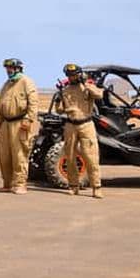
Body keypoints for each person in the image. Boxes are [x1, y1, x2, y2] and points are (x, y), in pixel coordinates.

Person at [56, 64, 105, 198]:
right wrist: (58, 100)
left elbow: (99, 95)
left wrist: (87, 85)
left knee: (91, 157)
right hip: (71, 125)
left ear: (79, 74)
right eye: (69, 75)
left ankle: (96, 187)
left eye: (74, 75)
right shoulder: (65, 90)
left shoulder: (87, 86)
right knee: (70, 156)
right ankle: (73, 186)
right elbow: (59, 110)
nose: (72, 77)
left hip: (86, 124)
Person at [0, 58, 39, 194]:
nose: (8, 70)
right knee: (4, 155)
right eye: (7, 68)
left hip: (20, 123)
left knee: (19, 155)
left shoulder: (26, 82)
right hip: (5, 124)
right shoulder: (6, 84)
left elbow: (33, 103)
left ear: (18, 68)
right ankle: (7, 183)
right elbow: (1, 106)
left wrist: (28, 119)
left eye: (11, 68)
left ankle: (20, 184)